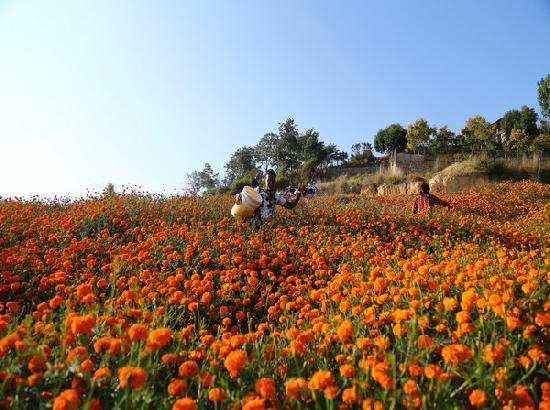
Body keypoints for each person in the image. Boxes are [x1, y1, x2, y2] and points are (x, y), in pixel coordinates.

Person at [235, 169, 301, 220]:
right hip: (253, 227)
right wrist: (238, 197)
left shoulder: (276, 197)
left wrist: (298, 196)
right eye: (269, 180)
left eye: (273, 180)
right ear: (265, 180)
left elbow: (290, 206)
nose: (271, 182)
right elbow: (241, 197)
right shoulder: (257, 191)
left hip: (267, 227)